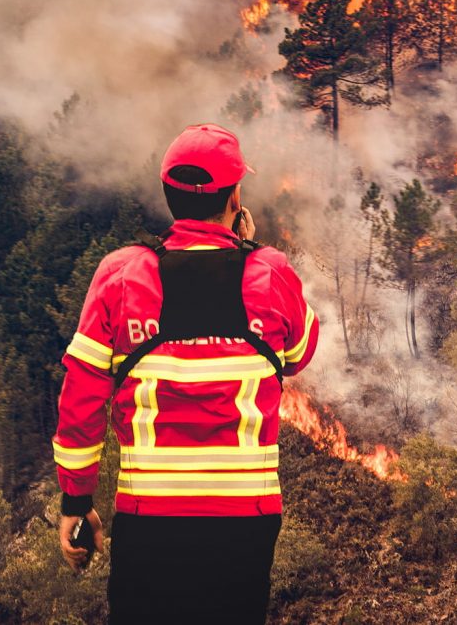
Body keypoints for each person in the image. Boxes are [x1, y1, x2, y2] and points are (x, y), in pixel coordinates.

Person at [52, 123, 319, 624]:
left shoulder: (122, 273)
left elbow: (80, 402)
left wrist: (77, 500)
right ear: (236, 195)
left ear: (168, 194)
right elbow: (300, 352)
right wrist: (249, 251)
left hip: (148, 521)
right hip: (247, 522)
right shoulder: (271, 271)